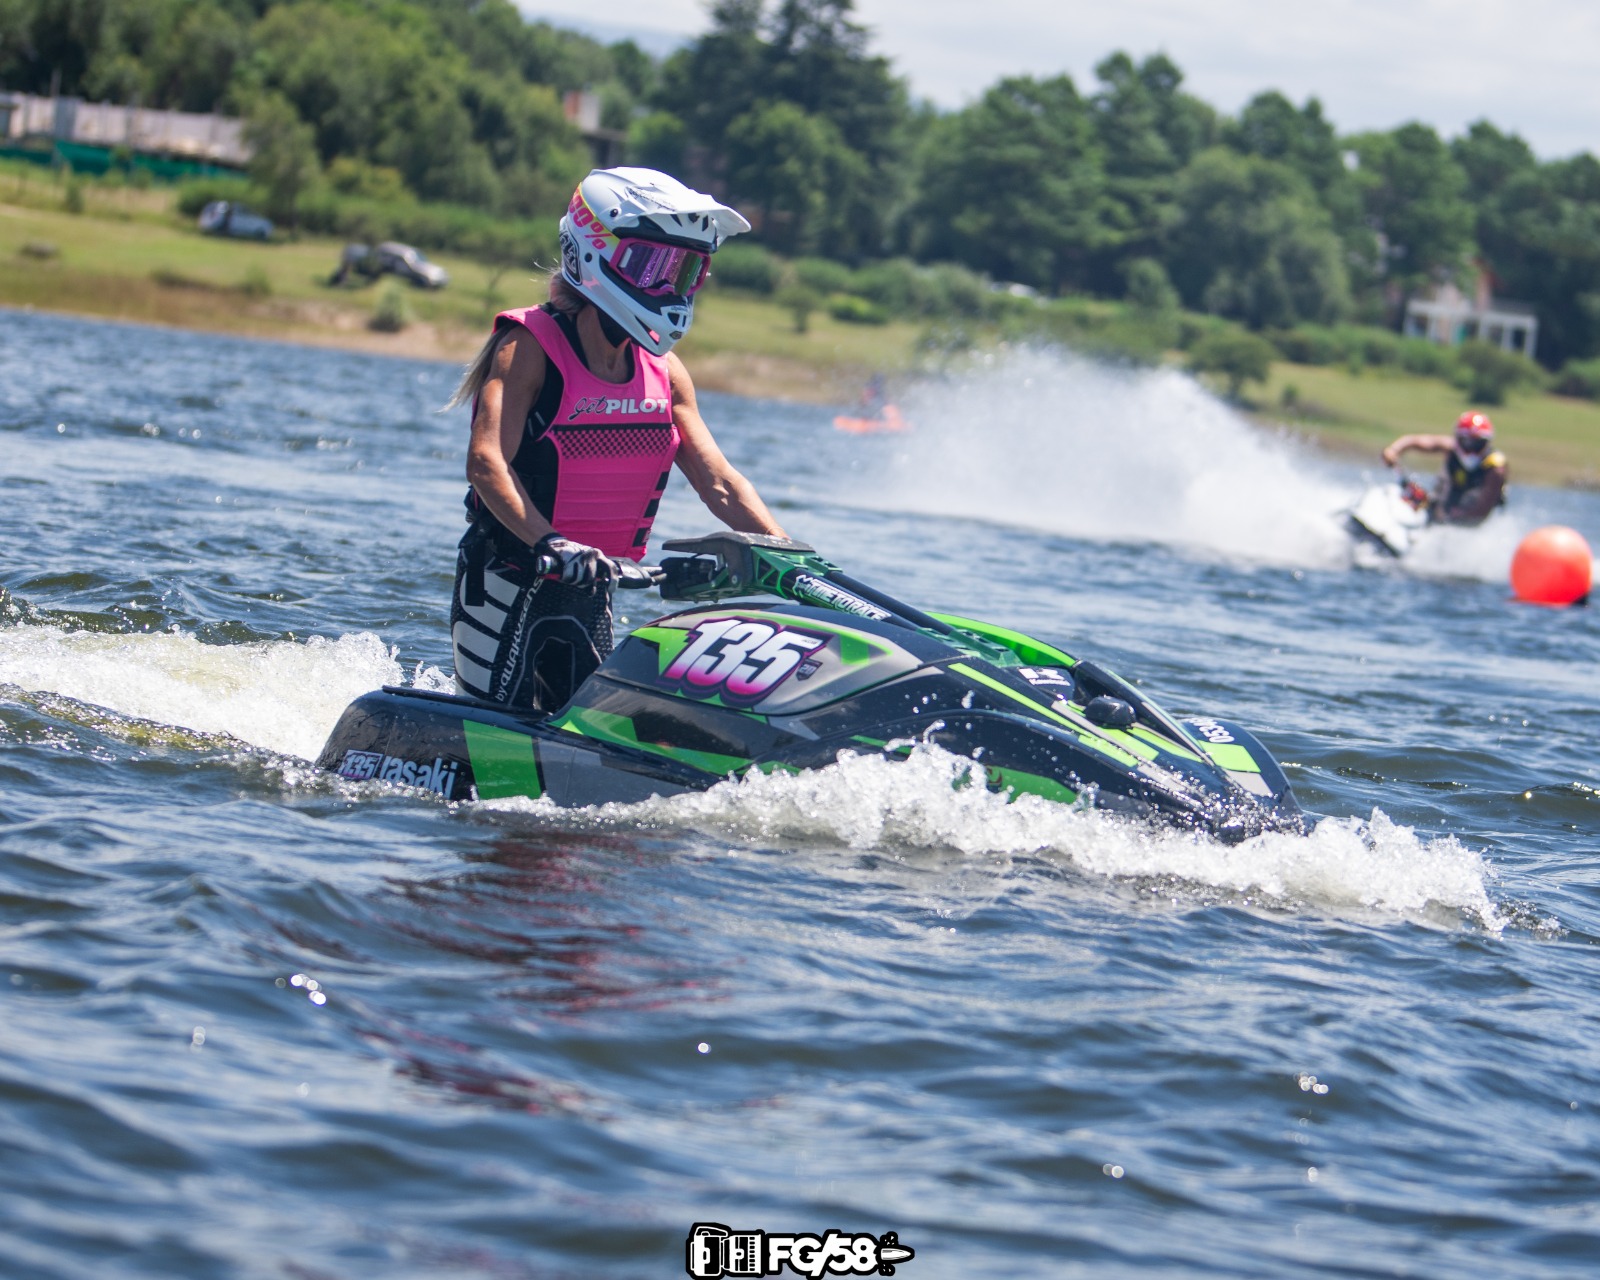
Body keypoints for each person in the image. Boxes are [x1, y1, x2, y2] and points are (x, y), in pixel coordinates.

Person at [446, 167, 788, 712]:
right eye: (651, 266)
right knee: (501, 723)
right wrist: (551, 543)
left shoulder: (665, 372)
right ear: (592, 251)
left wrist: (783, 552)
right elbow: (487, 462)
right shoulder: (528, 346)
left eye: (683, 271)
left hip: (592, 588)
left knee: (585, 728)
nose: (668, 288)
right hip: (509, 577)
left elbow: (720, 483)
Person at [1380, 411, 1508, 527]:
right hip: (1448, 498)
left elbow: (1482, 510)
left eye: (1476, 443)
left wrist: (1448, 518)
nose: (1471, 448)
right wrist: (1393, 450)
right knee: (1417, 494)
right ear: (1458, 438)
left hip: (1472, 517)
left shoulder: (1495, 469)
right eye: (1466, 441)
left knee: (1442, 513)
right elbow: (1414, 441)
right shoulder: (1452, 447)